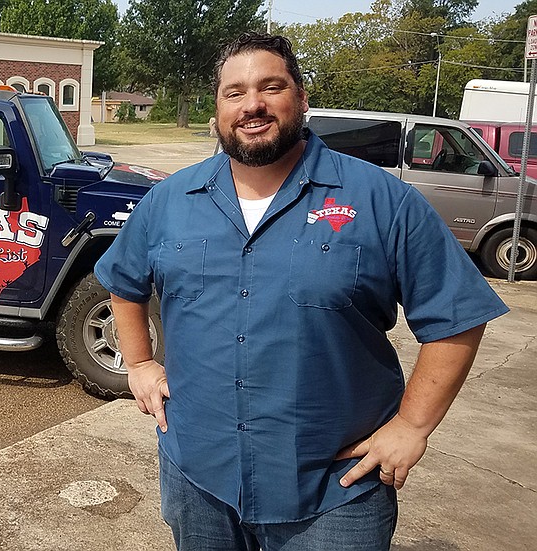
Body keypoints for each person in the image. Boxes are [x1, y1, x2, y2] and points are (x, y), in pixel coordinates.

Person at [94, 32, 509, 551]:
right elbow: (123, 283)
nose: (253, 106)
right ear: (217, 109)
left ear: (302, 98)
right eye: (235, 92)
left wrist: (412, 425)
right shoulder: (170, 200)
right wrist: (138, 364)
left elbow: (458, 315)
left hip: (334, 492)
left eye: (272, 87)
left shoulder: (383, 200)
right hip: (199, 475)